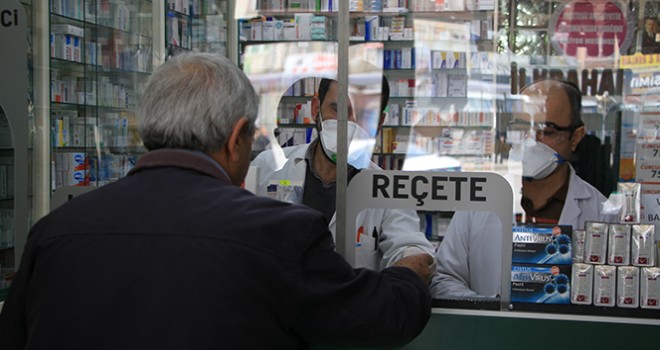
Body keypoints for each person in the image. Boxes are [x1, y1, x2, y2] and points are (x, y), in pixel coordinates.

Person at [0, 53, 435, 349]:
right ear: (235, 139)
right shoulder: (279, 230)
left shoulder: (54, 232)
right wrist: (410, 279)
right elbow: (379, 317)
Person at [430, 79, 615, 299]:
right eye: (520, 127)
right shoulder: (479, 202)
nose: (530, 141)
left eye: (546, 130)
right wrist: (491, 311)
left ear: (575, 137)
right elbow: (444, 277)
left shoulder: (603, 214)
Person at [251, 77, 436, 270]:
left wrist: (411, 264)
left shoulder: (387, 191)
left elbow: (410, 248)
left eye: (366, 115)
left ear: (380, 122)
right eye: (338, 109)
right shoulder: (267, 166)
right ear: (316, 109)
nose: (351, 124)